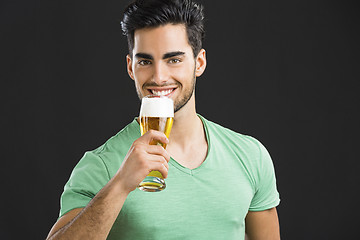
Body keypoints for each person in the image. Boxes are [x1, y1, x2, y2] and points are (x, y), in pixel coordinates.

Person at [46, 0, 280, 239]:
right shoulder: (101, 165)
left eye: (174, 60)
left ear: (199, 62)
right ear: (130, 67)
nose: (159, 77)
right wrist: (120, 184)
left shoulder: (250, 156)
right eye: (145, 62)